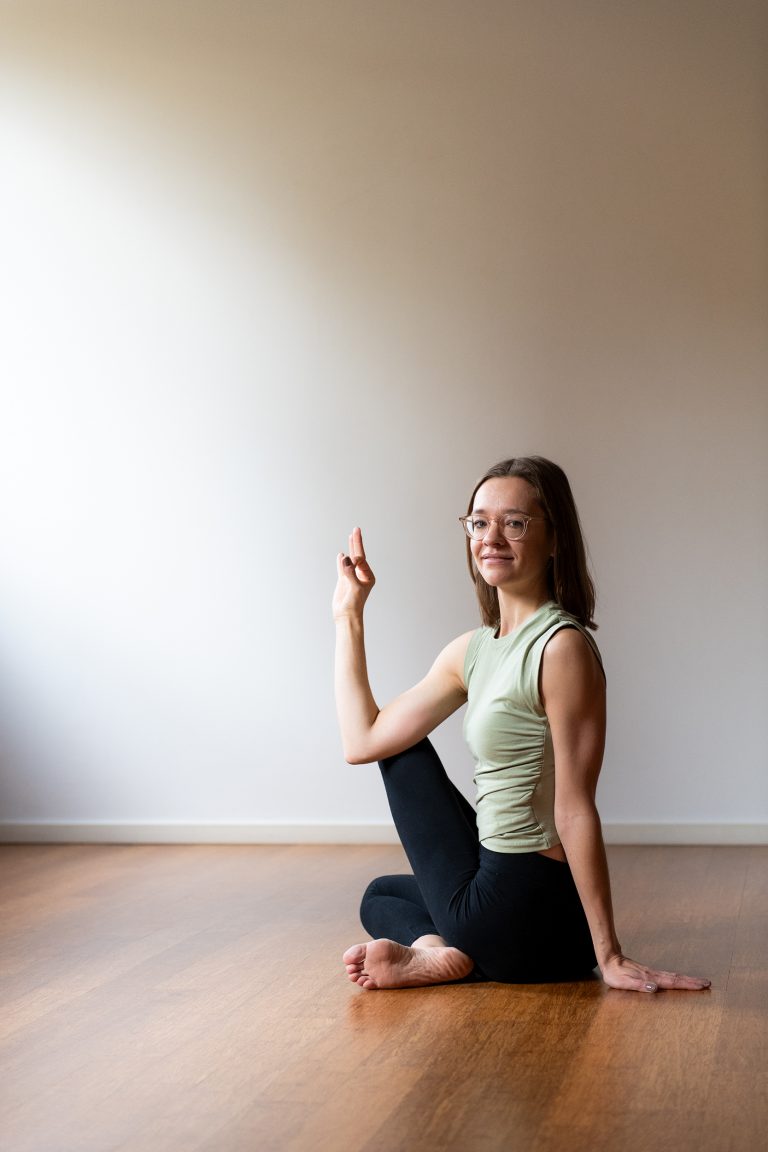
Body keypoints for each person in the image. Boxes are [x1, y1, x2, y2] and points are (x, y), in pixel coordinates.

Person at [333, 456, 710, 994]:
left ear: (555, 539)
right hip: (546, 938)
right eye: (479, 522)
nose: (492, 537)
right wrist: (349, 614)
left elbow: (575, 806)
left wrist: (611, 956)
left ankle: (449, 950)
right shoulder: (474, 650)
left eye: (515, 523)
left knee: (403, 752)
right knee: (380, 894)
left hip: (520, 910)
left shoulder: (561, 647)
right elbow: (360, 740)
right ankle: (442, 952)